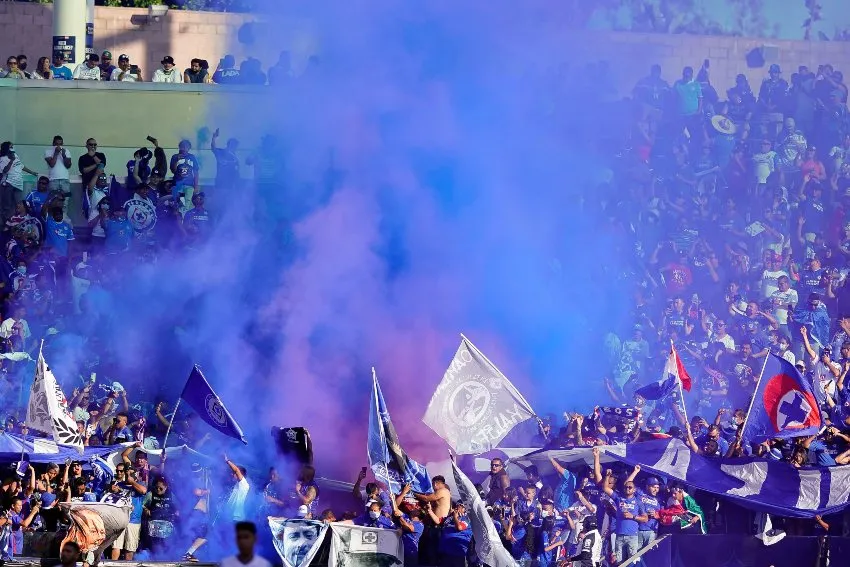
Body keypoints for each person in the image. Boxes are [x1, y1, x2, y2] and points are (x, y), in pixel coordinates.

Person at [0, 142, 39, 227]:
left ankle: (15, 224)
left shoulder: (15, 155)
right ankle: (5, 226)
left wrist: (32, 172)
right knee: (6, 207)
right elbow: (4, 171)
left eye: (12, 146)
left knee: (18, 205)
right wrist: (11, 160)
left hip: (18, 184)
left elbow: (21, 166)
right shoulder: (3, 158)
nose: (12, 148)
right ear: (6, 148)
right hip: (8, 184)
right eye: (10, 147)